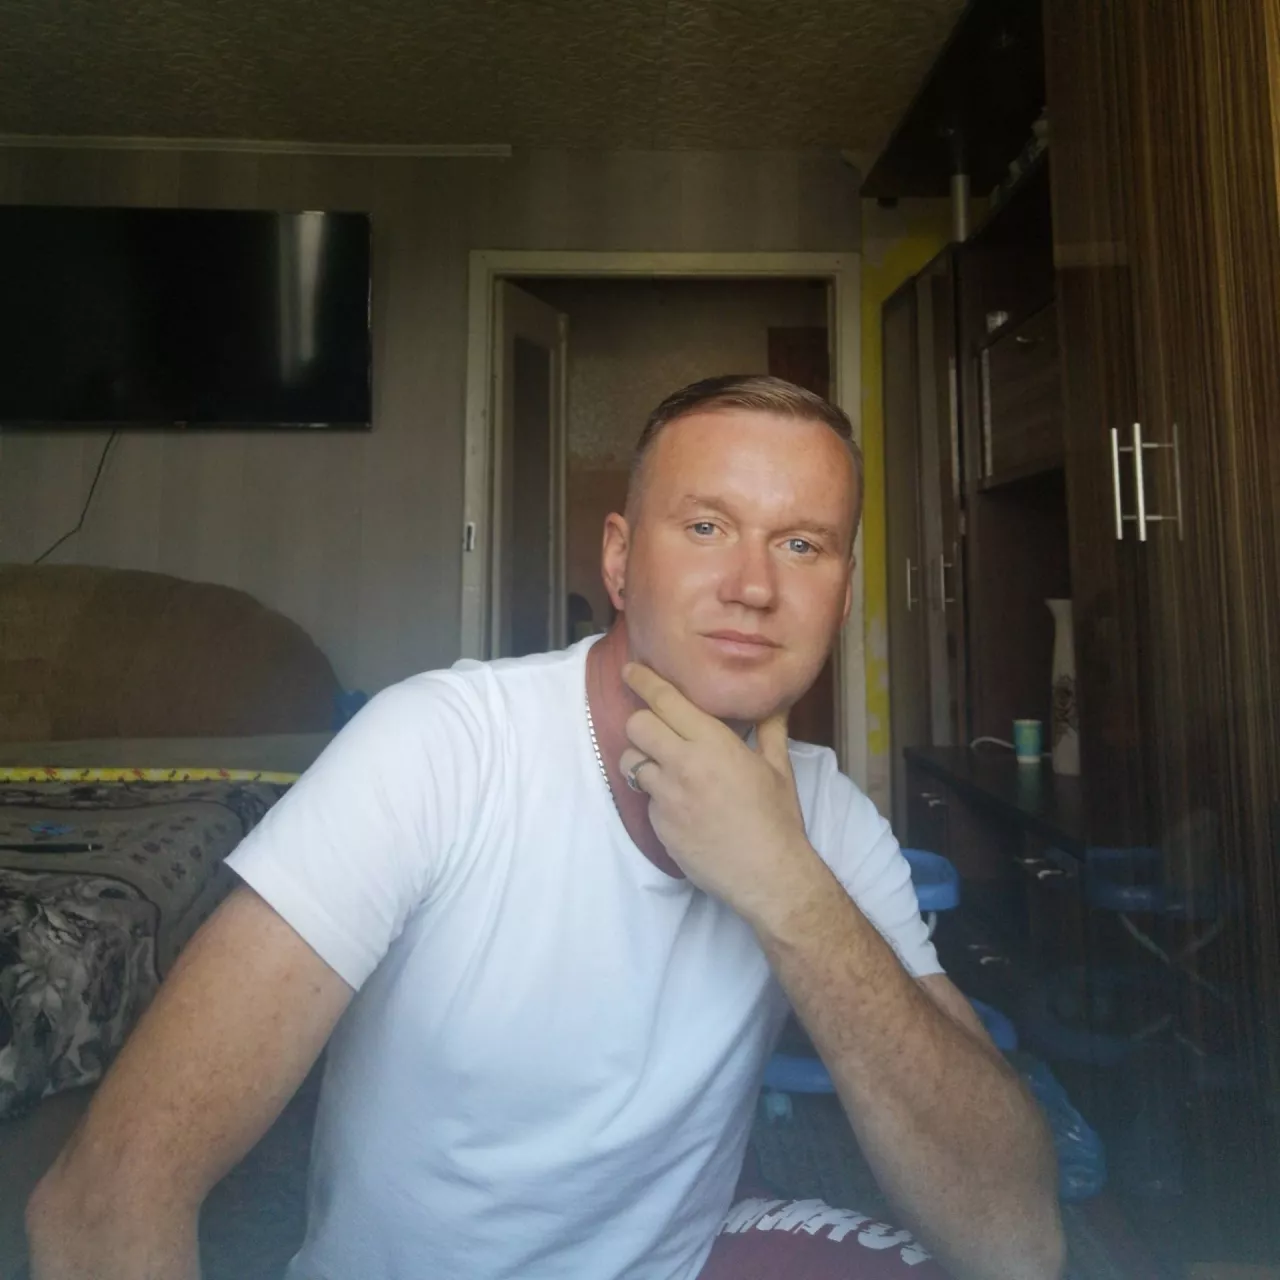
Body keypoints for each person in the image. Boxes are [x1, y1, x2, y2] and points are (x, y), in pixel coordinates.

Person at [26, 375, 1063, 1280]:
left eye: (802, 544)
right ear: (618, 560)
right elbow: (101, 1198)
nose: (753, 586)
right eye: (706, 527)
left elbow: (1016, 1241)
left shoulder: (828, 814)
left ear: (839, 596)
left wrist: (788, 887)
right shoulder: (438, 748)